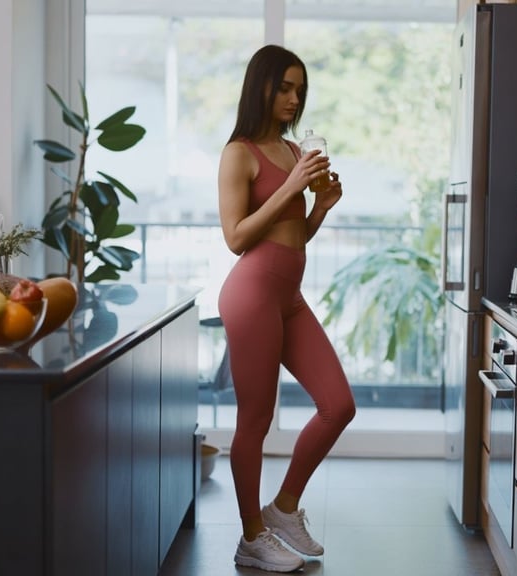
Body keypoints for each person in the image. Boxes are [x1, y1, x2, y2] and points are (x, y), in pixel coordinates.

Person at [216, 44, 357, 573]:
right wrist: (290, 190)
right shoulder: (240, 152)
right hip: (251, 295)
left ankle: (283, 508)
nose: (295, 99)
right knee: (255, 419)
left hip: (288, 296)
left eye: (300, 89)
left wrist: (317, 206)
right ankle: (251, 536)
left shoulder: (297, 152)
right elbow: (236, 238)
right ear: (262, 87)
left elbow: (293, 236)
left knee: (338, 404)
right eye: (285, 88)